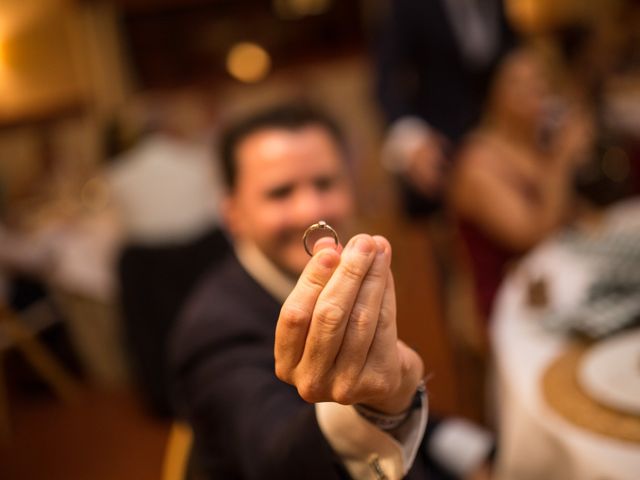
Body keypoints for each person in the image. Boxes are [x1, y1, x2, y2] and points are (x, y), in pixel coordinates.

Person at [169, 104, 494, 480]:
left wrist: (465, 447)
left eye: (325, 184)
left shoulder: (341, 280)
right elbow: (274, 457)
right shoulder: (213, 329)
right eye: (280, 193)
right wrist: (378, 407)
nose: (311, 210)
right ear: (233, 214)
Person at [449, 48, 594, 321]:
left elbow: (565, 211)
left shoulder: (534, 141)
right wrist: (562, 160)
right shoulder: (477, 163)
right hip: (508, 304)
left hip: (553, 283)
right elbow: (534, 238)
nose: (535, 88)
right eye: (518, 82)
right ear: (494, 92)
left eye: (540, 78)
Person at [375, 0, 517, 217]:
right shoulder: (409, 6)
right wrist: (412, 140)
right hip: (441, 138)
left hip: (497, 130)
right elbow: (387, 79)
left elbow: (508, 56)